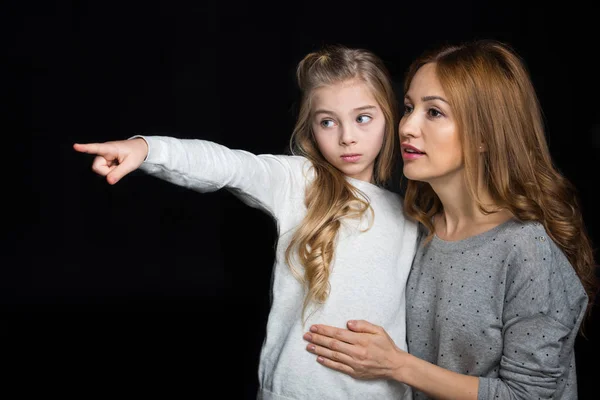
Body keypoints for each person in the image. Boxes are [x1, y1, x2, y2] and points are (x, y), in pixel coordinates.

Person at [73, 45, 419, 400]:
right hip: (295, 392)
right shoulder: (299, 181)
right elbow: (231, 166)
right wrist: (148, 150)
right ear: (311, 127)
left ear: (389, 119)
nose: (347, 136)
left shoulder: (413, 213)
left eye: (363, 118)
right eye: (328, 121)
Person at [302, 39, 598, 399]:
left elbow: (529, 396)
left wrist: (397, 365)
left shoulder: (526, 249)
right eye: (409, 107)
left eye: (434, 112)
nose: (407, 126)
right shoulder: (419, 229)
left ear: (485, 134)